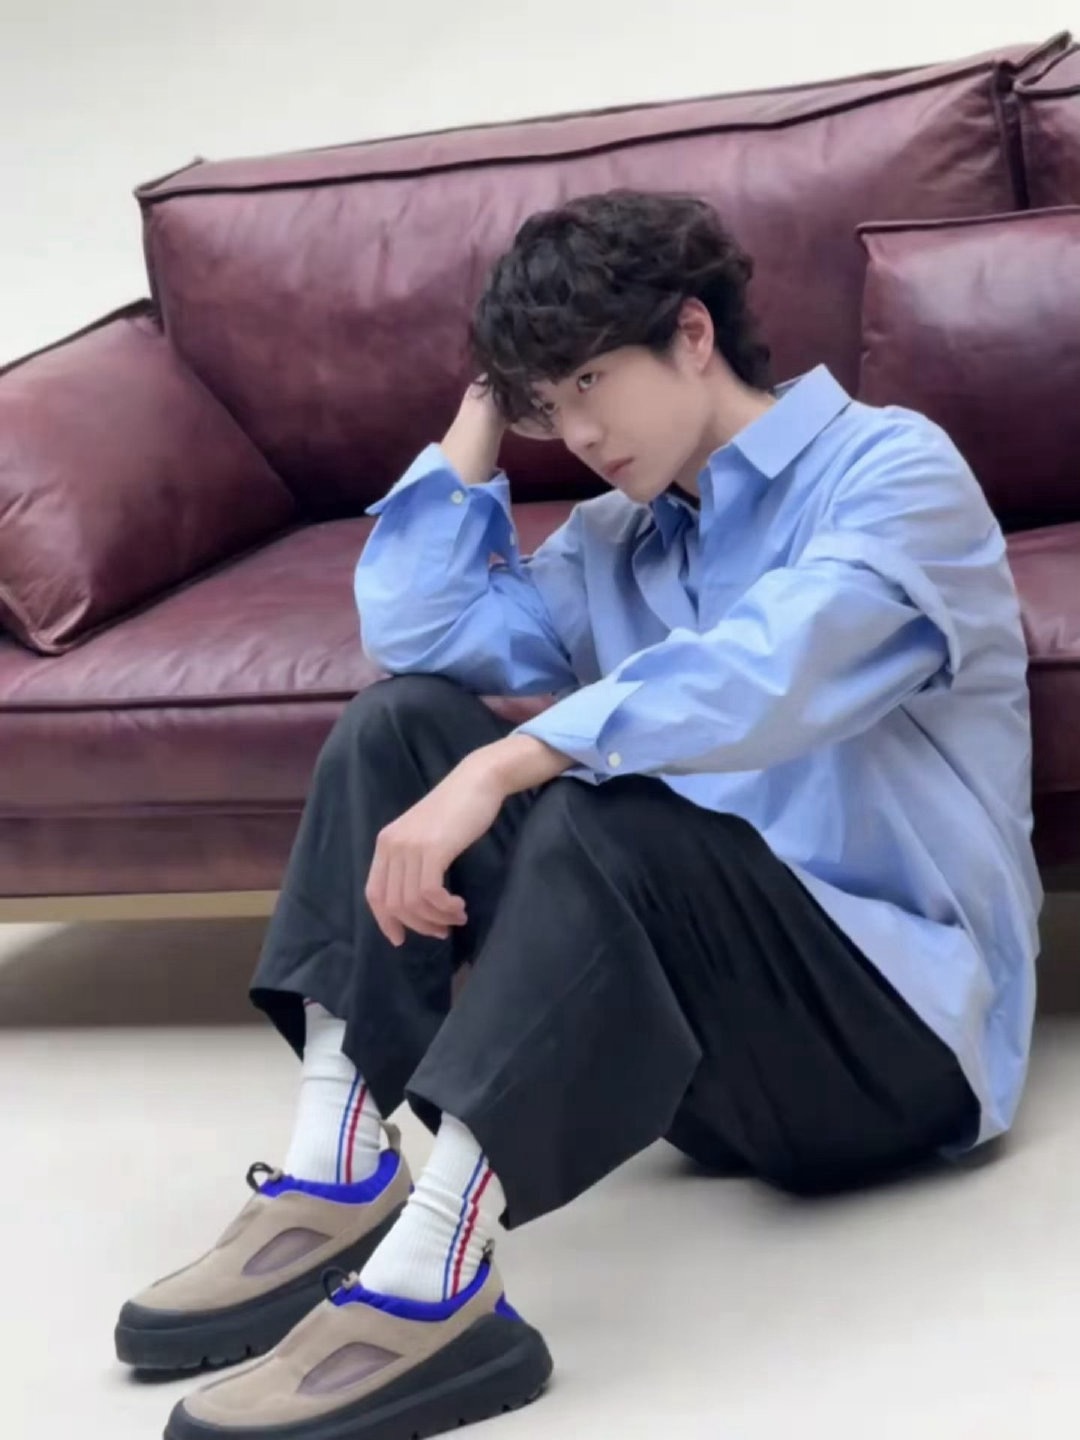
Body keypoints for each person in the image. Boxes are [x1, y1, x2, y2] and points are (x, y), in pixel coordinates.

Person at [117, 190, 1041, 1440]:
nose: (582, 432)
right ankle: (340, 1168)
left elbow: (775, 671)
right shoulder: (620, 543)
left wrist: (513, 764)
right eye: (551, 403)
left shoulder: (892, 470)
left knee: (602, 815)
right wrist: (492, 393)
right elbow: (420, 628)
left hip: (895, 1052)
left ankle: (438, 1273)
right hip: (698, 1066)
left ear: (694, 334)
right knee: (400, 725)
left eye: (594, 380)